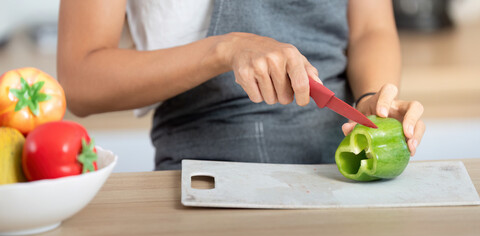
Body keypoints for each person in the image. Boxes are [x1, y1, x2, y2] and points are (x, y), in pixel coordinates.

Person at [57, 0, 425, 170]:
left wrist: (373, 96)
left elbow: (370, 29)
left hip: (335, 164)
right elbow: (80, 79)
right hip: (203, 173)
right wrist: (224, 49)